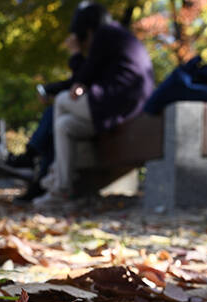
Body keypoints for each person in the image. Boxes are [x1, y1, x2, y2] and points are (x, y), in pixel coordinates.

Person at [33, 2, 155, 206]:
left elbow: (83, 76)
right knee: (65, 125)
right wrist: (57, 87)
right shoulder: (117, 37)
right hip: (123, 105)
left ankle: (58, 184)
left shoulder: (105, 34)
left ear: (87, 31)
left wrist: (74, 54)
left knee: (63, 100)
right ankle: (59, 182)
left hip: (118, 104)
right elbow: (85, 78)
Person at [2, 34, 87, 203]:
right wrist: (48, 89)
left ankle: (32, 156)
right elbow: (73, 81)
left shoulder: (94, 53)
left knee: (55, 114)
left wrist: (77, 53)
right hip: (84, 110)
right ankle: (39, 178)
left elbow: (80, 79)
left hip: (98, 111)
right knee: (53, 125)